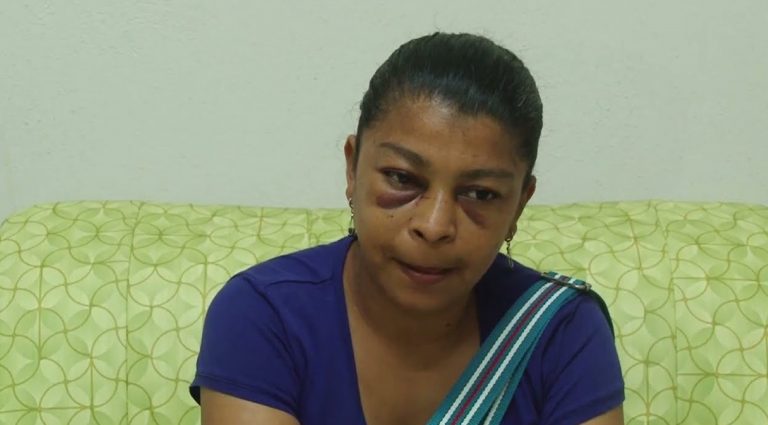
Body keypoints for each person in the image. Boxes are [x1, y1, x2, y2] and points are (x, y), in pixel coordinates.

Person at [190, 32, 625, 425]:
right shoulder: (266, 314)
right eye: (402, 178)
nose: (434, 226)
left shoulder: (559, 330)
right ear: (352, 169)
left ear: (519, 205)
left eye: (480, 193)